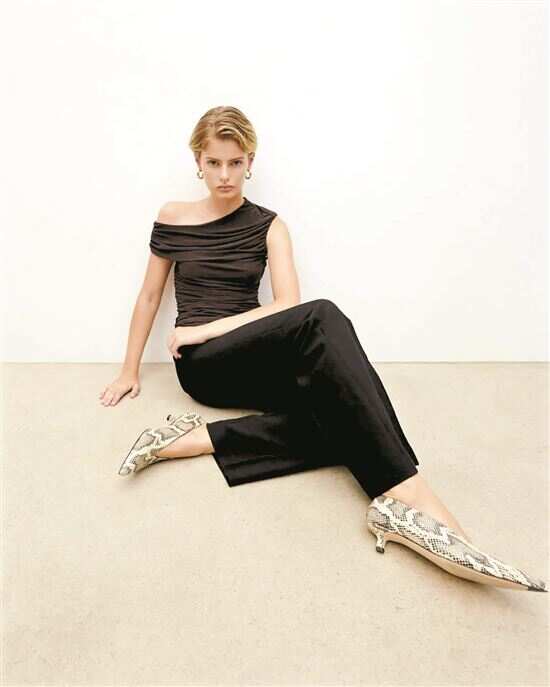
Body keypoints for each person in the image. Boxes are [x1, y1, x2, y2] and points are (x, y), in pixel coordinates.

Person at [99, 106, 547, 592]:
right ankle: (412, 498)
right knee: (324, 317)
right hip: (204, 366)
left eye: (235, 162)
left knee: (343, 403)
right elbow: (150, 296)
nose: (225, 175)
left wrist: (209, 328)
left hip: (246, 350)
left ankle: (198, 439)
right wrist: (130, 370)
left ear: (250, 162)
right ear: (198, 163)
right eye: (214, 163)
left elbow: (284, 305)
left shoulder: (270, 225)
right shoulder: (173, 217)